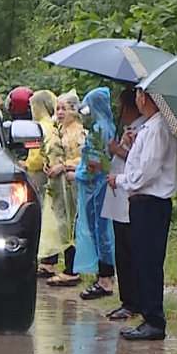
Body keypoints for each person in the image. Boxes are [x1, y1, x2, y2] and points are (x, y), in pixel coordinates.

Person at [107, 88, 177, 341]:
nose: (136, 98)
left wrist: (121, 179)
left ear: (145, 98)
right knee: (141, 258)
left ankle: (154, 319)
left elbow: (146, 172)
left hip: (152, 202)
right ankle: (148, 316)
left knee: (148, 261)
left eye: (138, 93)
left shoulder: (158, 128)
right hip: (142, 202)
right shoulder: (149, 128)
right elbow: (143, 161)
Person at [101, 88, 145, 321]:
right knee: (122, 251)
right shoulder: (130, 129)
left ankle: (133, 300)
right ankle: (127, 298)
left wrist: (118, 149)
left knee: (130, 251)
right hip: (118, 197)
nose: (118, 111)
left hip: (130, 197)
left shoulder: (144, 129)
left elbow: (140, 164)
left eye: (120, 106)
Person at [75, 87, 117, 300]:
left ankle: (105, 278)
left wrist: (80, 171)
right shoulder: (108, 126)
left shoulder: (100, 128)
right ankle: (104, 274)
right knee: (101, 229)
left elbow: (96, 161)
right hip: (99, 184)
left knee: (99, 229)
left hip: (95, 185)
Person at [40, 91, 86, 285]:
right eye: (58, 108)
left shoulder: (79, 132)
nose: (59, 112)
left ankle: (72, 269)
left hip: (72, 185)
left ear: (74, 111)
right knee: (62, 225)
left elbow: (83, 159)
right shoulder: (60, 131)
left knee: (71, 225)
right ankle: (64, 265)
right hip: (60, 187)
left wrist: (64, 165)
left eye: (64, 109)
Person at [25, 90, 58, 199]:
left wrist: (26, 164)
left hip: (38, 174)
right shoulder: (53, 124)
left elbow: (38, 154)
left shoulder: (40, 127)